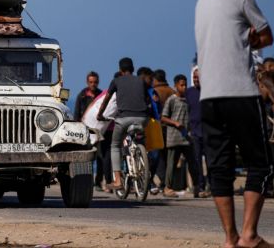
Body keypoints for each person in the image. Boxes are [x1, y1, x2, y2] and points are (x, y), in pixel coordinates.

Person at [195, 0, 274, 248]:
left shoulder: (201, 3)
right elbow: (267, 36)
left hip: (209, 96)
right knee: (260, 163)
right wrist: (253, 39)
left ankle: (230, 237)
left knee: (219, 167)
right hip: (240, 92)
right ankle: (249, 235)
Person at [97, 57, 150, 191]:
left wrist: (100, 114)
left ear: (120, 70)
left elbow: (106, 100)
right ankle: (141, 160)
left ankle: (117, 180)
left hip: (124, 119)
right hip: (143, 118)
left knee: (115, 146)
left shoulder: (116, 81)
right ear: (133, 68)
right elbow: (147, 99)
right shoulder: (141, 81)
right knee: (139, 139)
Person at [160, 74, 204, 198]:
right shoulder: (172, 99)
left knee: (193, 163)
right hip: (174, 138)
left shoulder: (188, 100)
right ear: (176, 86)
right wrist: (175, 123)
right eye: (181, 85)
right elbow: (163, 118)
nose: (184, 87)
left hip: (187, 137)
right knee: (171, 164)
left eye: (185, 85)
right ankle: (168, 188)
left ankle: (197, 188)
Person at [74, 71, 104, 188]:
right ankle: (88, 181)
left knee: (101, 157)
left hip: (100, 131)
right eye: (91, 82)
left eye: (95, 82)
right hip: (86, 131)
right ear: (87, 82)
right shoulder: (81, 96)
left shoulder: (101, 95)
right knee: (87, 158)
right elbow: (77, 114)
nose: (93, 84)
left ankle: (98, 181)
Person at [185, 66, 209, 196]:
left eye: (198, 77)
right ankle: (199, 186)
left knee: (211, 160)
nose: (196, 79)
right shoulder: (189, 92)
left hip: (208, 132)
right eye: (194, 77)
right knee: (196, 161)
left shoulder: (209, 91)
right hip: (194, 132)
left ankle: (212, 185)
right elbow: (186, 111)